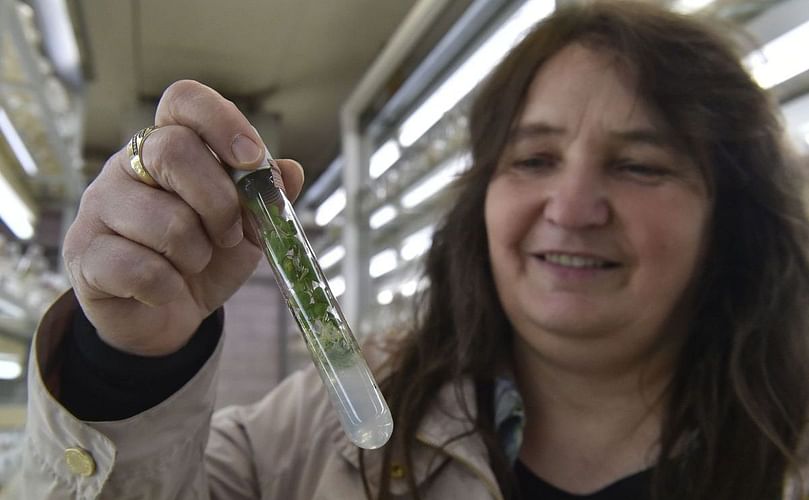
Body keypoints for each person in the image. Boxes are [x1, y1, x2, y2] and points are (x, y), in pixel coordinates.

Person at [6, 1, 809, 498]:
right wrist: (126, 363)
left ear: (730, 218)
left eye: (639, 164)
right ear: (480, 204)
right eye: (531, 158)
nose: (571, 206)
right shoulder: (304, 442)